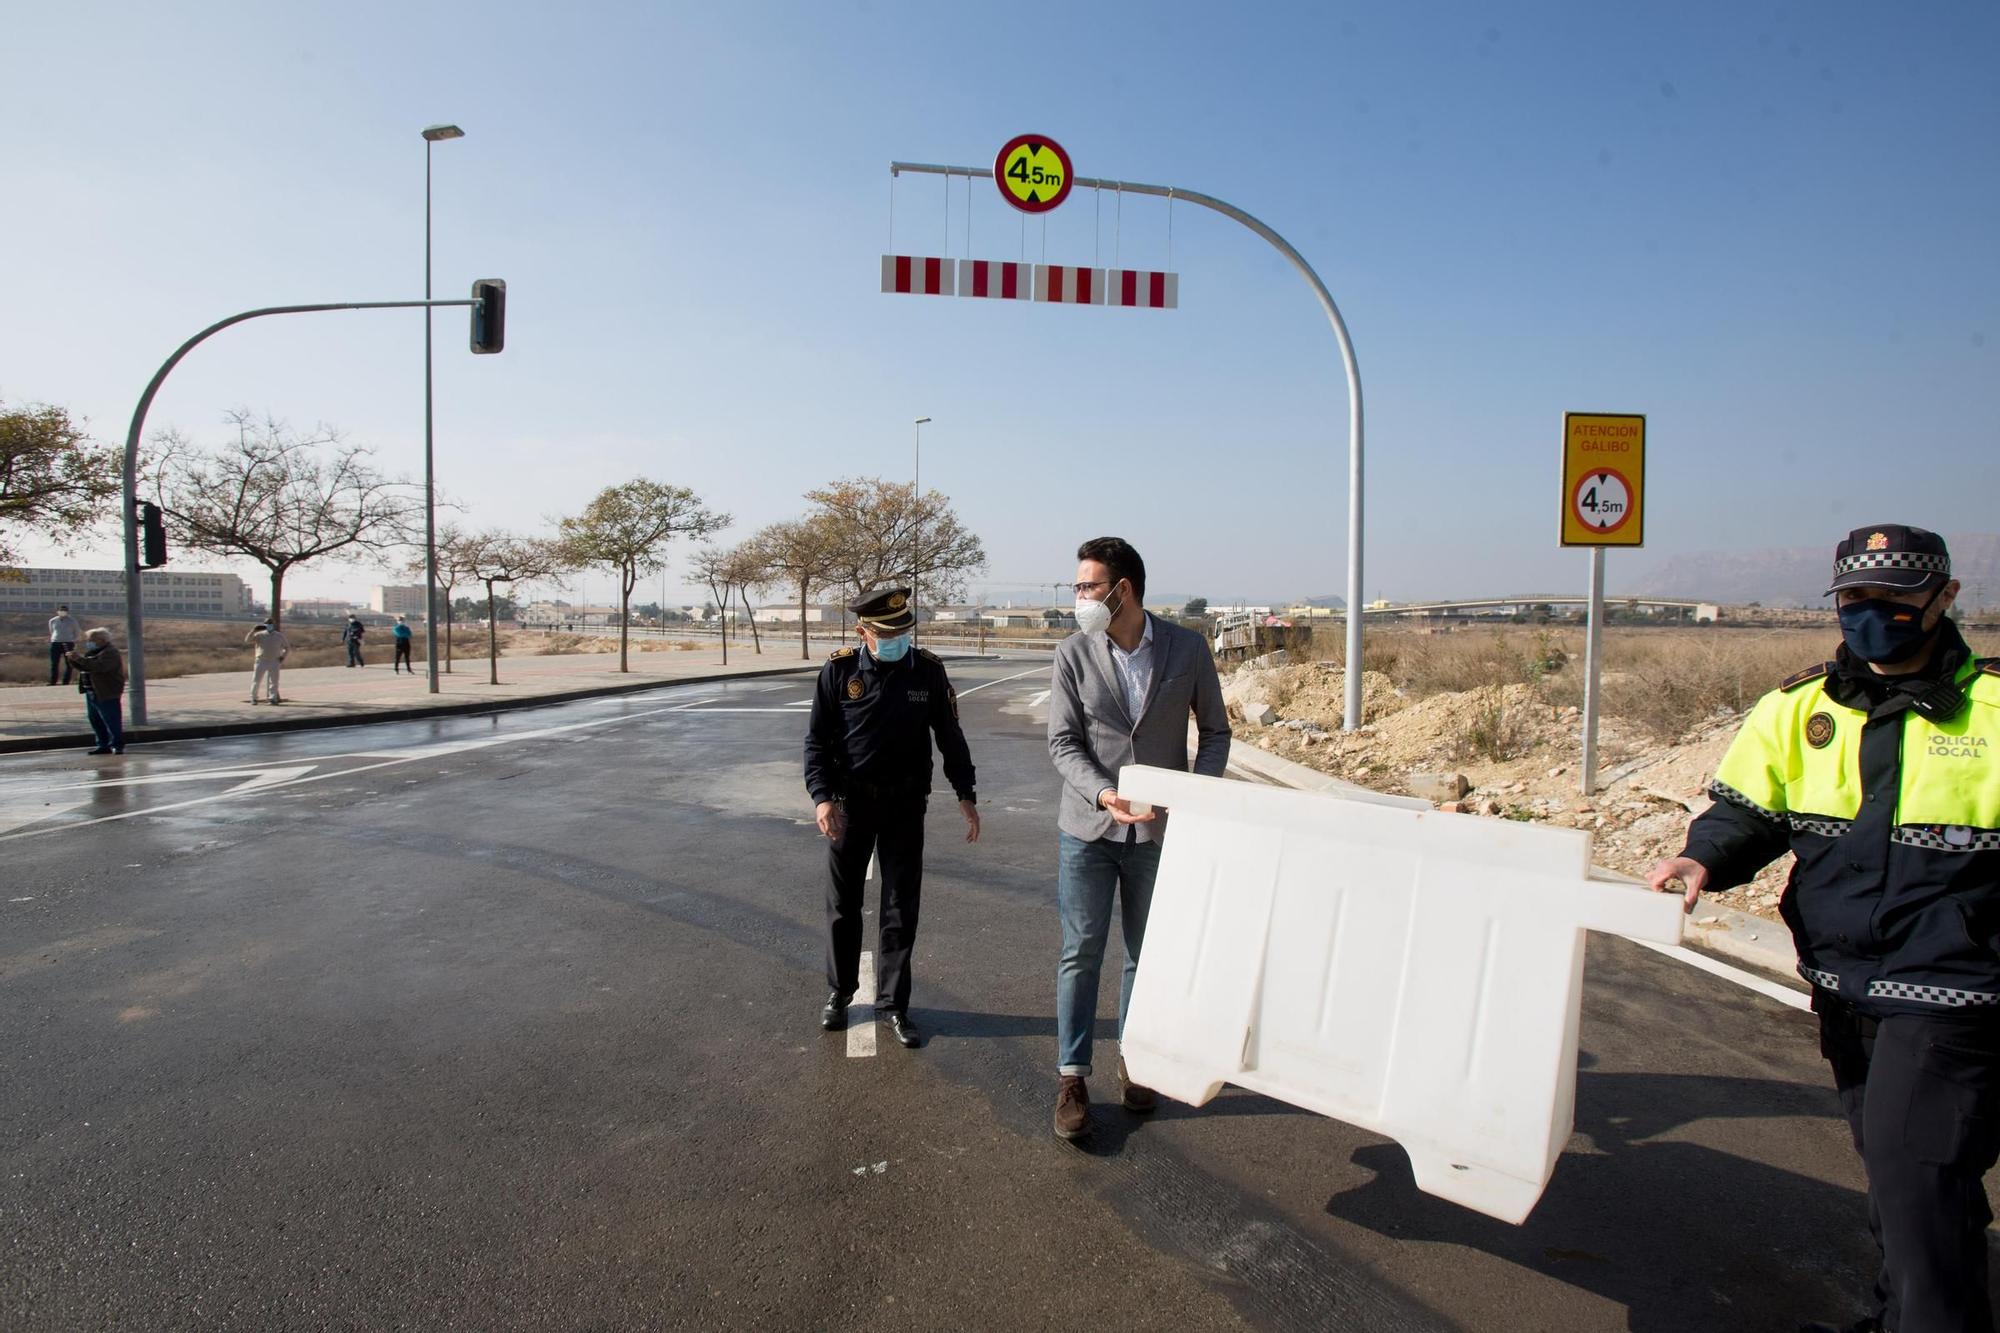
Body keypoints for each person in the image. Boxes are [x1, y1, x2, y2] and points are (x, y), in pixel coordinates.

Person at [1646, 525, 2000, 1333]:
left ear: (1944, 598)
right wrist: (1701, 859)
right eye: (1855, 599)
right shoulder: (1796, 709)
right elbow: (1746, 813)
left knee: (1916, 1178)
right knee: (1907, 1185)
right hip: (1845, 984)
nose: (1873, 614)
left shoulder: (1993, 710)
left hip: (1953, 992)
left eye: (1897, 598)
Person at [1046, 537, 1231, 1141]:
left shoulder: (1187, 647)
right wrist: (1103, 794)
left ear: (1122, 590)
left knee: (1144, 957)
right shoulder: (1073, 653)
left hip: (1159, 833)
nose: (1079, 597)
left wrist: (1194, 795)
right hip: (1090, 829)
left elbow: (1217, 733)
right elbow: (1063, 742)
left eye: (1087, 586)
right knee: (1081, 953)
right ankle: (1073, 1077)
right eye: (1077, 586)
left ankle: (1136, 1059)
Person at [804, 587, 979, 1048]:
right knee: (843, 905)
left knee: (901, 907)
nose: (898, 639)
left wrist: (966, 793)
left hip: (904, 806)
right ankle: (840, 993)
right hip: (849, 806)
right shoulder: (839, 671)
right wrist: (822, 798)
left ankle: (894, 1005)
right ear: (863, 632)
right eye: (887, 633)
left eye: (903, 630)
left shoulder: (928, 671)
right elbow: (817, 744)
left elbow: (950, 737)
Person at [64, 627, 127, 755]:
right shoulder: (92, 652)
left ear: (102, 640)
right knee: (95, 719)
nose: (89, 642)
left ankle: (116, 744)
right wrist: (73, 660)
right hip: (91, 690)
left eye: (91, 640)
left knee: (110, 719)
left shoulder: (110, 652)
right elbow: (85, 666)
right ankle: (103, 744)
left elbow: (99, 667)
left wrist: (79, 659)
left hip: (106, 691)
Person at [244, 619, 289, 704]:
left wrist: (283, 657)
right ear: (264, 625)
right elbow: (247, 640)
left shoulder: (279, 636)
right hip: (261, 661)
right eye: (267, 624)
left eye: (271, 623)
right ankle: (253, 698)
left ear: (274, 625)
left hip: (274, 661)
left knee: (274, 681)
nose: (269, 625)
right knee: (256, 681)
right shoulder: (259, 635)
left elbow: (287, 647)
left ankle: (272, 698)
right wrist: (253, 630)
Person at [47, 604, 79, 686]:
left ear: (67, 612)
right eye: (61, 610)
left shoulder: (72, 621)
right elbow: (52, 631)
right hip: (56, 643)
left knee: (69, 663)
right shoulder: (52, 621)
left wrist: (71, 639)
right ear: (57, 611)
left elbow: (76, 632)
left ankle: (65, 682)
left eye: (64, 610)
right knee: (54, 663)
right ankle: (53, 681)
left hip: (68, 643)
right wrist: (54, 639)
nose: (62, 612)